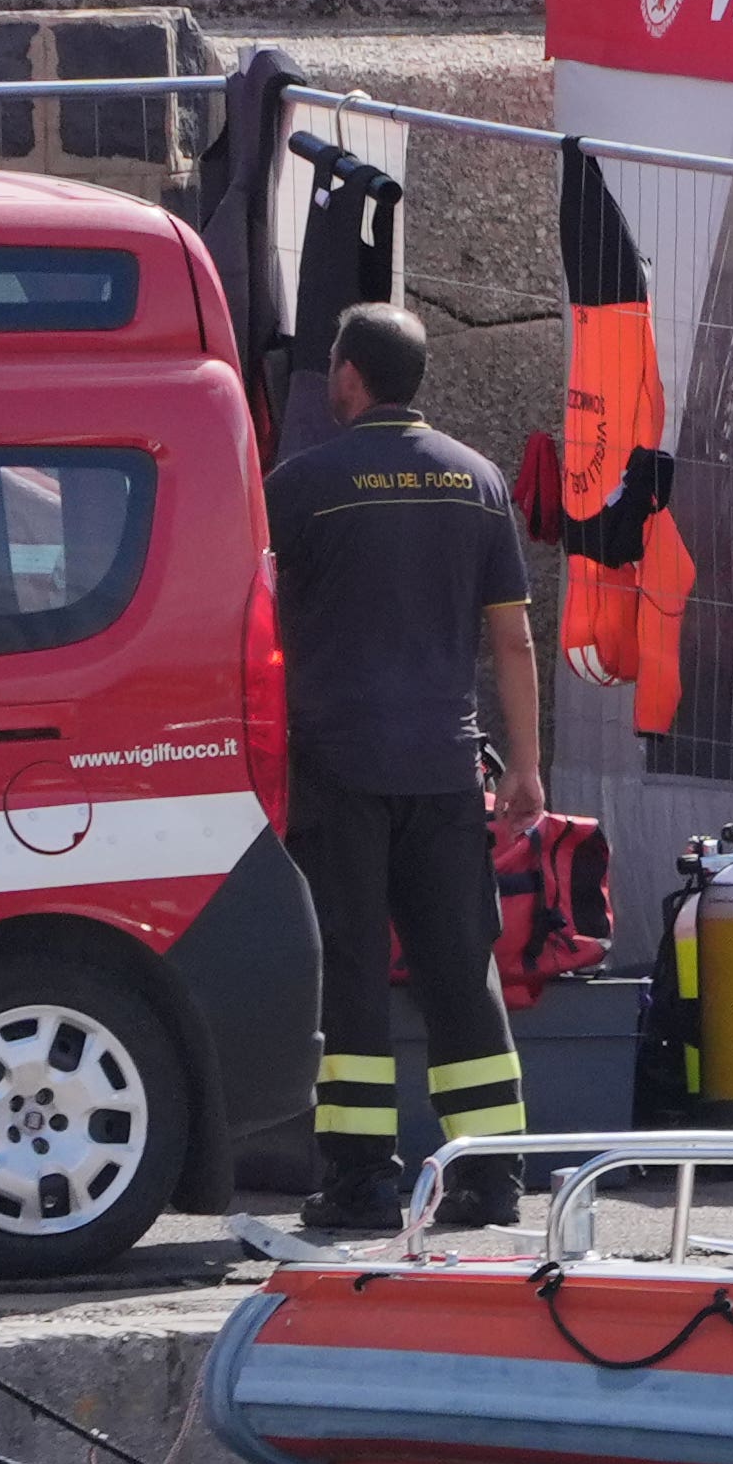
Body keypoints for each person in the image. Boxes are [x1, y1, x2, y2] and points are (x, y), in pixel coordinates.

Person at [265, 303, 539, 1234]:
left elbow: (252, 622)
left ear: (347, 375)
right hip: (447, 764)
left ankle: (361, 1183)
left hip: (338, 766)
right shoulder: (480, 481)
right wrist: (528, 768)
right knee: (463, 970)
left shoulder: (302, 485)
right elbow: (513, 639)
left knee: (350, 969)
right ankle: (491, 1178)